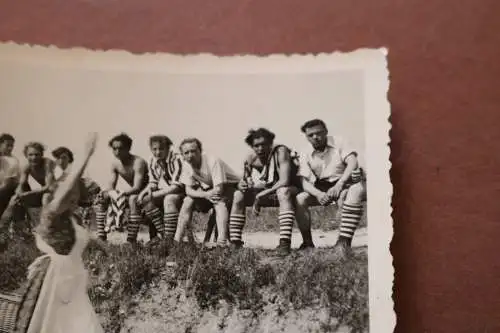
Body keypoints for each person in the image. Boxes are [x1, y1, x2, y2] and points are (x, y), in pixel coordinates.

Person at [11, 132, 104, 333]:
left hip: (74, 282)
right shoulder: (51, 214)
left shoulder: (74, 219)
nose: (71, 194)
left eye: (75, 191)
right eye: (67, 191)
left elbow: (83, 244)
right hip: (54, 282)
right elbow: (67, 186)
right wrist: (86, 156)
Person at [296, 119, 366, 259]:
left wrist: (340, 185)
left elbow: (353, 162)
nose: (315, 137)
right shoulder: (304, 152)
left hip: (345, 180)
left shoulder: (339, 141)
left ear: (326, 132)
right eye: (311, 135)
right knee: (300, 198)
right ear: (306, 136)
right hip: (322, 186)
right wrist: (318, 194)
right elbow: (303, 181)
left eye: (319, 133)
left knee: (352, 192)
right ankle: (307, 242)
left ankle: (343, 244)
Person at [229, 128, 300, 256]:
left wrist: (260, 195)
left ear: (270, 143)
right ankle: (235, 242)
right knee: (238, 194)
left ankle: (284, 242)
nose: (260, 148)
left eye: (264, 144)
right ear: (252, 146)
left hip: (292, 188)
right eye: (256, 145)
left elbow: (285, 181)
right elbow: (244, 179)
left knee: (282, 192)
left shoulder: (280, 151)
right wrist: (243, 184)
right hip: (271, 188)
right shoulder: (251, 158)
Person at [175, 138, 240, 247]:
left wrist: (207, 194)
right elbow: (188, 190)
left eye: (193, 151)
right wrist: (205, 194)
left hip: (232, 185)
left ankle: (221, 242)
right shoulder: (186, 165)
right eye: (186, 152)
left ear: (200, 151)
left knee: (219, 202)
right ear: (182, 155)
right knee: (187, 200)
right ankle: (177, 240)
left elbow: (219, 190)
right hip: (211, 188)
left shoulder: (212, 160)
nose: (190, 155)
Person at [93, 133, 148, 243]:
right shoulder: (115, 164)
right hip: (133, 192)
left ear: (128, 148)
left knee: (133, 199)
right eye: (114, 149)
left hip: (146, 191)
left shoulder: (138, 162)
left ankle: (131, 240)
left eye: (121, 148)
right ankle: (101, 236)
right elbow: (111, 186)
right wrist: (105, 193)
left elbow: (137, 187)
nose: (117, 152)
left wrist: (120, 193)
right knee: (103, 197)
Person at [137, 135, 185, 242]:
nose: (158, 152)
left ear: (168, 148)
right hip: (170, 190)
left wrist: (154, 195)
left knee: (169, 199)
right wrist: (143, 193)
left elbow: (177, 186)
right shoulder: (153, 161)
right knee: (145, 199)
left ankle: (169, 238)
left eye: (161, 149)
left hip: (185, 191)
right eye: (154, 149)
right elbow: (153, 182)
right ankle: (163, 234)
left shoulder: (177, 159)